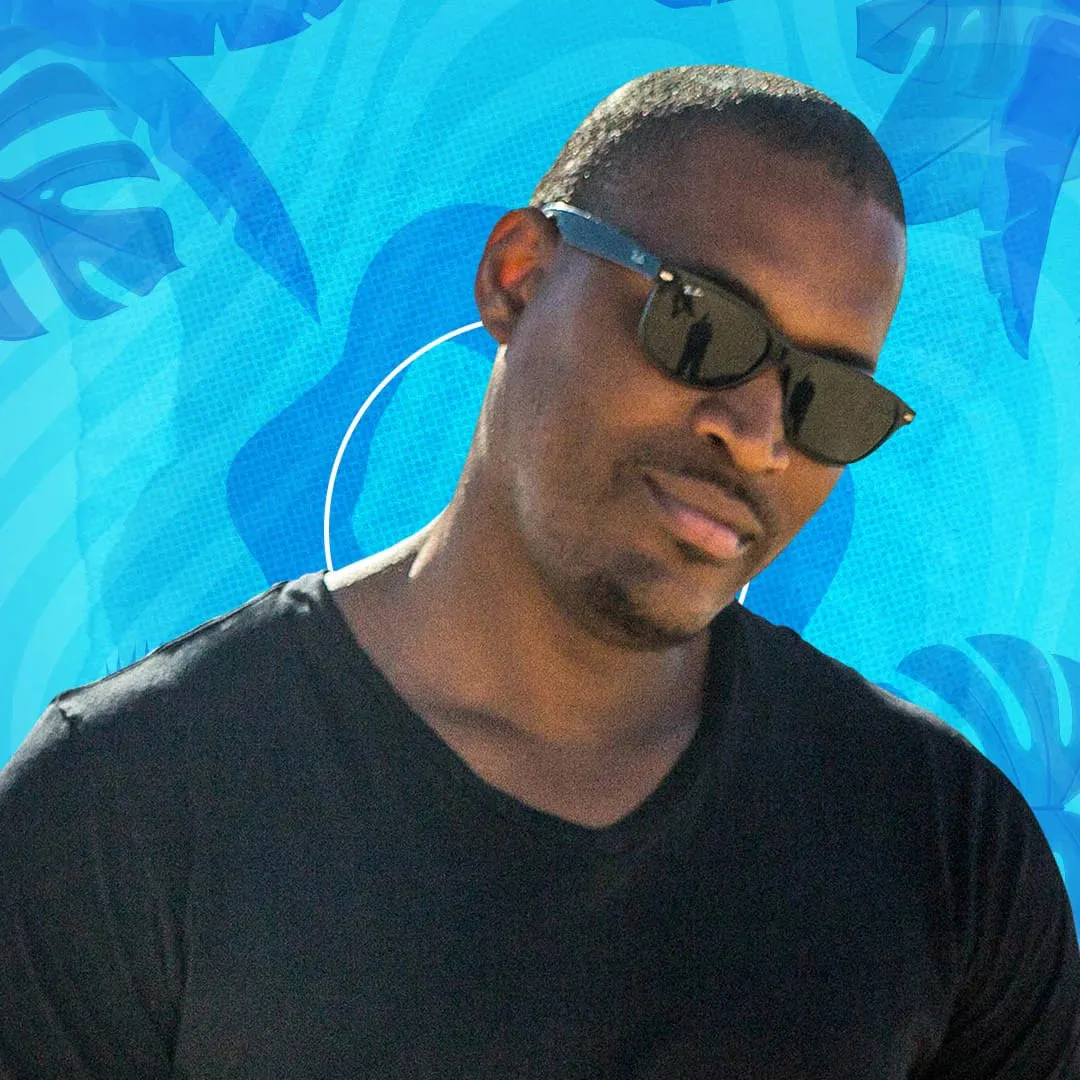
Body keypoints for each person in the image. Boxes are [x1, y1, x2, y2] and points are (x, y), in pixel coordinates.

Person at [1, 65, 1077, 1079]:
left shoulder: (945, 845)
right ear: (517, 278)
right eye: (700, 323)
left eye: (828, 399)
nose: (758, 437)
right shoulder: (126, 807)